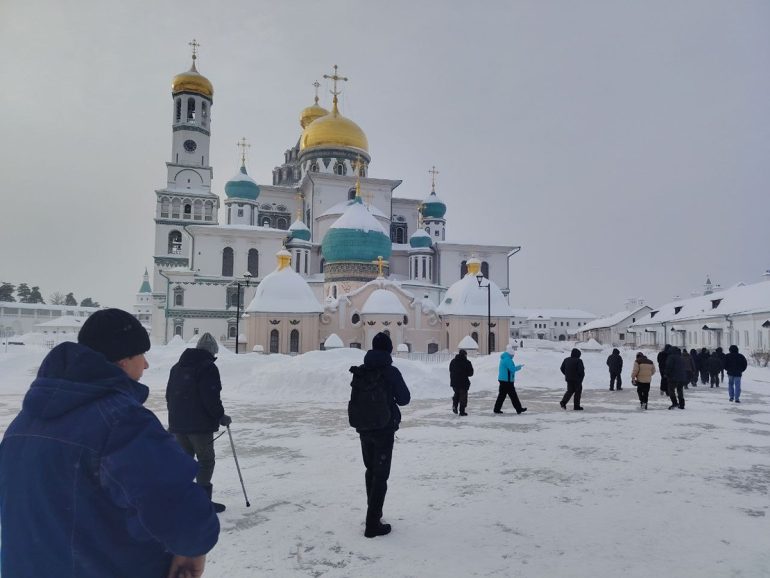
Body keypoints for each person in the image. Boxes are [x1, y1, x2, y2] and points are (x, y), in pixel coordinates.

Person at [0, 308, 219, 577]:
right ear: (124, 359)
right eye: (142, 354)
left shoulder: (21, 426)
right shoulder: (121, 422)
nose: (147, 365)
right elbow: (183, 514)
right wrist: (192, 550)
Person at [167, 332, 232, 513]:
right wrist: (220, 416)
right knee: (205, 461)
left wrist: (176, 416)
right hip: (199, 426)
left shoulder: (177, 367)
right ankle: (202, 503)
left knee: (185, 462)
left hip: (178, 424)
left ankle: (181, 500)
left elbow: (169, 395)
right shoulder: (207, 367)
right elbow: (211, 396)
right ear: (212, 351)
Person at [354, 332, 410, 538]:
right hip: (384, 430)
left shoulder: (361, 370)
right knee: (381, 475)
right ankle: (373, 522)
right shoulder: (390, 371)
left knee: (370, 470)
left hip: (364, 428)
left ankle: (373, 513)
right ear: (388, 349)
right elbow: (404, 398)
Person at [494, 345, 527, 414]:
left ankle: (496, 409)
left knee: (502, 396)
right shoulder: (507, 359)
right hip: (507, 381)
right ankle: (519, 409)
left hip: (504, 380)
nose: (513, 356)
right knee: (513, 396)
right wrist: (519, 367)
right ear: (510, 354)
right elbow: (512, 369)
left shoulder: (504, 358)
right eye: (513, 355)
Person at [449, 348, 474, 416]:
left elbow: (450, 369)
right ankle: (462, 411)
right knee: (463, 396)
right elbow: (471, 373)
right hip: (463, 382)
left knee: (457, 394)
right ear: (465, 355)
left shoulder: (453, 361)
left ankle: (455, 405)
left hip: (454, 382)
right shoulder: (467, 362)